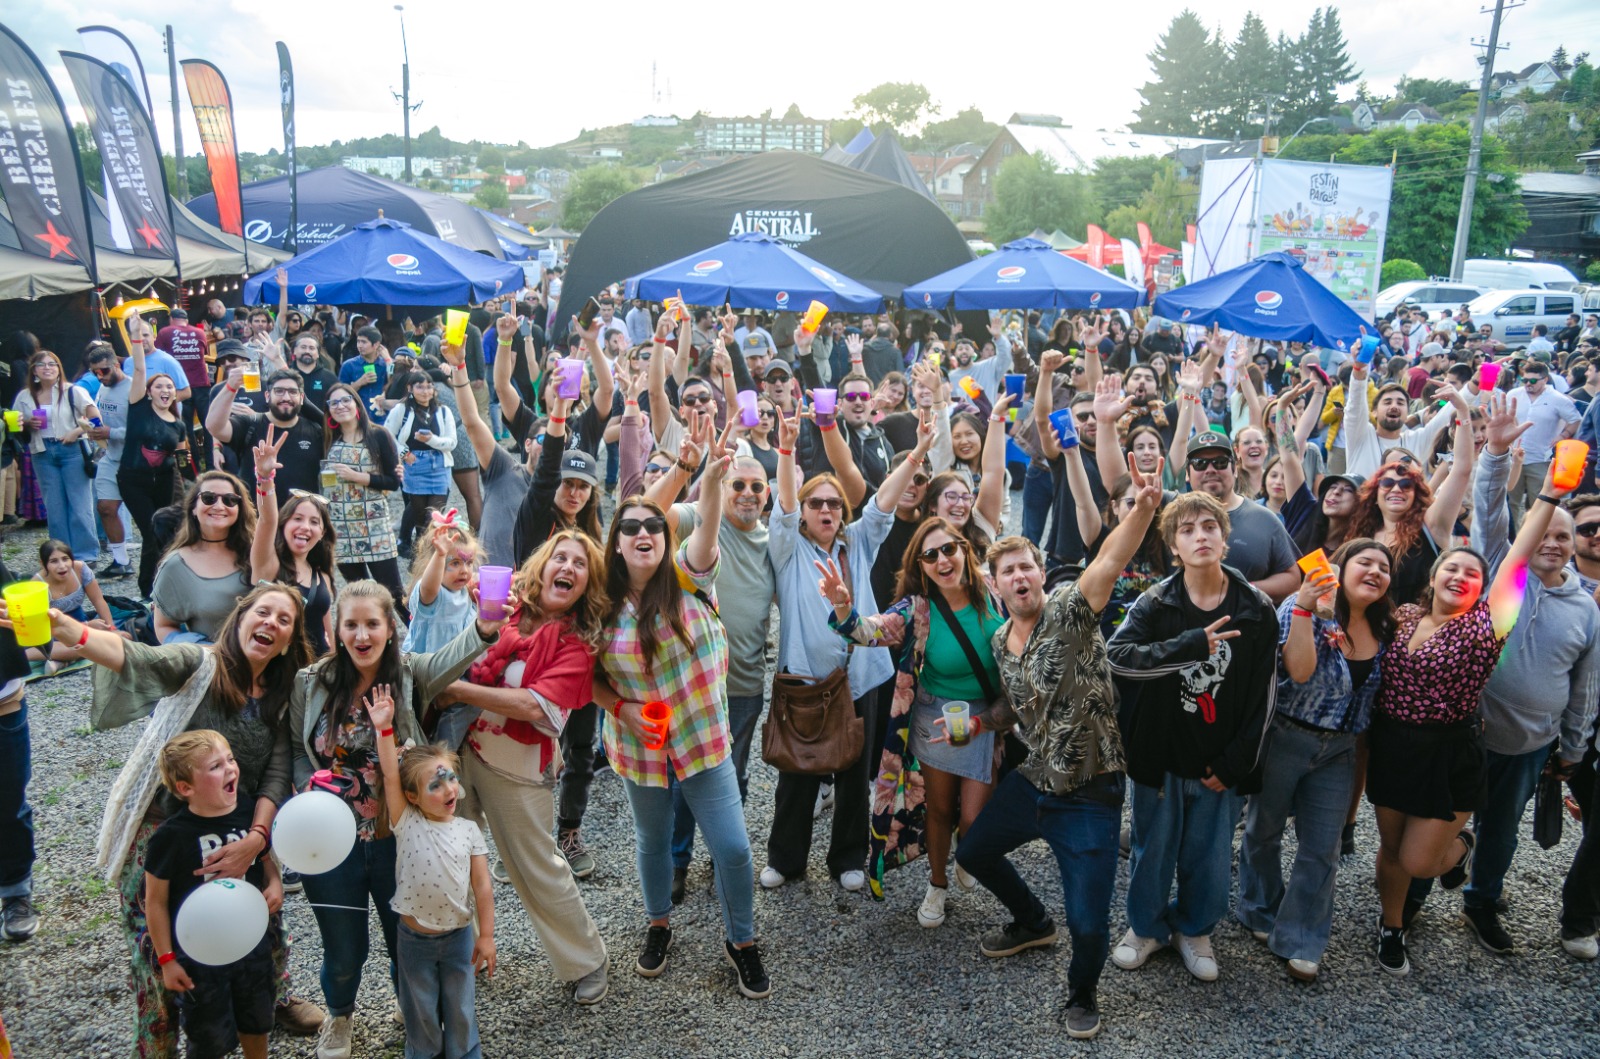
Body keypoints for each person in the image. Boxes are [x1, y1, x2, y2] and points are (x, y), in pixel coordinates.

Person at [33, 584, 324, 1055]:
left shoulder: (282, 693)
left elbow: (276, 772)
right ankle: (158, 1047)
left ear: (290, 640)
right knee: (162, 961)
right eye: (263, 612)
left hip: (235, 831)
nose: (271, 622)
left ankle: (270, 1005)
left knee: (261, 933)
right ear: (241, 618)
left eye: (284, 619)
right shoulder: (199, 663)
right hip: (164, 832)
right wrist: (75, 631)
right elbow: (141, 659)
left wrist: (257, 839)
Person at [953, 456, 1164, 1039]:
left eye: (1026, 567)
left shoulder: (1072, 609)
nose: (1019, 577)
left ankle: (1082, 993)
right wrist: (982, 724)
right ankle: (1030, 921)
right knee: (973, 853)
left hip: (1091, 793)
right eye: (1007, 572)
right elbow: (1018, 705)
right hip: (1035, 781)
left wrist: (1144, 508)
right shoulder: (1000, 639)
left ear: (1040, 573)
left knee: (1090, 923)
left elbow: (1112, 558)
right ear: (994, 585)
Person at [1404, 396, 1600, 954]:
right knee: (1437, 818)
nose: (1553, 542)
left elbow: (1586, 687)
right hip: (1470, 731)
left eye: (1564, 537)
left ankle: (1482, 902)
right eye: (1545, 533)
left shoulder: (1586, 608)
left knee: (1503, 830)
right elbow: (1490, 507)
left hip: (1530, 743)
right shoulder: (1505, 582)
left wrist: (1573, 747)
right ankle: (1413, 898)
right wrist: (1493, 452)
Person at [589, 431, 774, 1001]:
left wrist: (713, 480)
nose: (643, 533)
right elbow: (588, 677)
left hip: (700, 737)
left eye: (653, 525)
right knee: (652, 840)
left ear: (667, 535)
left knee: (735, 847)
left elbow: (708, 527)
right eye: (630, 527)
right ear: (616, 543)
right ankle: (658, 922)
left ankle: (740, 939)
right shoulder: (598, 603)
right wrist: (618, 707)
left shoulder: (690, 576)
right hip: (638, 743)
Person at [287, 580, 503, 1059]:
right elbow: (296, 751)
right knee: (343, 949)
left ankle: (414, 1008)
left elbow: (456, 653)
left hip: (398, 837)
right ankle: (340, 1014)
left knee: (401, 937)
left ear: (390, 629)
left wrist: (485, 628)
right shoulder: (311, 681)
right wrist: (306, 788)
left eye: (372, 624)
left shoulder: (409, 675)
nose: (362, 635)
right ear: (336, 631)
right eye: (352, 625)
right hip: (329, 839)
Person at [1106, 491, 1280, 982]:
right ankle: (1146, 927)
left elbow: (1266, 697)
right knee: (1151, 847)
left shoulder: (1255, 608)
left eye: (1210, 526)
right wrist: (1189, 645)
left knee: (1208, 851)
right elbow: (1116, 658)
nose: (1200, 535)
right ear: (1173, 547)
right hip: (1159, 754)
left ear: (1225, 541)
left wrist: (1237, 764)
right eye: (1187, 529)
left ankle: (1195, 928)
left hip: (1218, 759)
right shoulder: (1157, 601)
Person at [762, 407, 935, 893]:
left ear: (843, 512)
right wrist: (786, 449)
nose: (824, 511)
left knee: (854, 771)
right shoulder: (788, 547)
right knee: (797, 771)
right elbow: (786, 509)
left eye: (833, 504)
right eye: (816, 503)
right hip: (804, 679)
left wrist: (919, 451)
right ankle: (787, 858)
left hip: (861, 677)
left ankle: (848, 859)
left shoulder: (858, 542)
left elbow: (882, 501)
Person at [446, 531, 613, 1001]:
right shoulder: (505, 608)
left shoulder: (579, 643)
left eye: (579, 564)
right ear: (541, 565)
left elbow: (539, 708)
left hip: (516, 766)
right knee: (449, 858)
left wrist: (458, 691)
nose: (567, 567)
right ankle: (457, 963)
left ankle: (587, 959)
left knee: (536, 867)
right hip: (458, 752)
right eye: (559, 557)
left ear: (587, 584)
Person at [1365, 522, 1538, 974]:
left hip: (1448, 753)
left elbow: (1518, 557)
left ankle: (1461, 846)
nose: (1460, 576)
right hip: (1391, 747)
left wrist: (1551, 497)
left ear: (1484, 589)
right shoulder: (1402, 615)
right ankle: (1392, 925)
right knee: (1390, 846)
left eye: (1473, 574)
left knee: (1419, 862)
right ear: (1435, 575)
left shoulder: (1486, 627)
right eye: (1452, 567)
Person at [820, 515, 1004, 926]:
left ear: (964, 550)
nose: (942, 560)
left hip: (988, 719)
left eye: (949, 549)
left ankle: (967, 852)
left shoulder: (993, 592)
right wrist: (844, 608)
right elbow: (869, 631)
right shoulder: (918, 610)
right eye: (930, 555)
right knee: (939, 809)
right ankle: (937, 885)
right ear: (920, 565)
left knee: (974, 817)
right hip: (934, 718)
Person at [1238, 539, 1396, 981]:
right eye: (1364, 562)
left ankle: (1303, 938)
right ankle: (1258, 908)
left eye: (1384, 568)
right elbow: (1300, 672)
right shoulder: (1299, 604)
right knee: (1263, 830)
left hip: (1340, 750)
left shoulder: (1386, 629)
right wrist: (1306, 608)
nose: (1375, 572)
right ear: (1338, 569)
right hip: (1287, 735)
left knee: (1322, 847)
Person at [642, 444, 777, 906]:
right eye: (737, 483)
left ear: (768, 494)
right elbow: (647, 513)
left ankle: (725, 856)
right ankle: (678, 862)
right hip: (691, 684)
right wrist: (695, 471)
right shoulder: (697, 518)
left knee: (733, 776)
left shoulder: (772, 540)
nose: (747, 493)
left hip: (742, 685)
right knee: (683, 777)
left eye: (756, 486)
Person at [365, 689, 494, 1059]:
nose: (449, 789)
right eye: (435, 785)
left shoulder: (468, 830)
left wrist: (486, 936)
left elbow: (483, 887)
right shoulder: (406, 821)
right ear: (414, 796)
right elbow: (391, 774)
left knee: (460, 1004)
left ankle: (464, 1052)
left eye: (451, 778)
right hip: (414, 940)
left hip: (458, 939)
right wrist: (385, 729)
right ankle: (423, 1053)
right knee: (419, 1007)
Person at [143, 731, 282, 1059]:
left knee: (257, 1019)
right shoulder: (171, 838)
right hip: (200, 958)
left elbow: (265, 860)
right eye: (216, 766)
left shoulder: (248, 812)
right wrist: (167, 960)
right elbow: (156, 902)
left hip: (253, 944)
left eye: (230, 759)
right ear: (185, 788)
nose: (231, 769)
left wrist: (274, 884)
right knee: (208, 1036)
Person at [1345, 389, 1475, 605]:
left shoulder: (1432, 524)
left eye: (1406, 484)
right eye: (1387, 483)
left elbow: (1462, 468)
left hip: (1417, 635)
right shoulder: (1361, 531)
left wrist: (1462, 411)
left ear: (1417, 492)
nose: (1396, 489)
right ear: (1375, 494)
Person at [249, 428, 335, 655]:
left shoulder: (321, 575)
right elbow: (267, 519)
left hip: (319, 675)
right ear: (284, 524)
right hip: (281, 675)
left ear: (322, 533)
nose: (305, 527)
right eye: (297, 519)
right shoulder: (269, 566)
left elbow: (328, 633)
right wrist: (265, 478)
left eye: (314, 522)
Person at [12, 348, 101, 560]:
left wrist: (76, 431)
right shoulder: (25, 396)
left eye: (52, 364)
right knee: (55, 508)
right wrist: (25, 424)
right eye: (42, 365)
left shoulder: (73, 391)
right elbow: (15, 426)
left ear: (59, 369)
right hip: (42, 452)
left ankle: (86, 555)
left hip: (71, 450)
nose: (47, 368)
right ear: (34, 370)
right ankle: (60, 556)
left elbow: (96, 419)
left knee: (80, 506)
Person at [322, 382, 406, 606]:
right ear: (328, 409)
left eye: (346, 400)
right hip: (340, 529)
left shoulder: (378, 435)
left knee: (395, 596)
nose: (340, 406)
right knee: (360, 597)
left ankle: (417, 640)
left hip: (374, 527)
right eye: (334, 403)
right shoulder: (328, 437)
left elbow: (393, 482)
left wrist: (357, 476)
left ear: (356, 403)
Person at [118, 334, 187, 598]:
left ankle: (165, 584)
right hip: (133, 480)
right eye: (159, 386)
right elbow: (138, 368)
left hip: (165, 481)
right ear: (149, 391)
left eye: (169, 386)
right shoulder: (138, 409)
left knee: (164, 531)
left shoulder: (178, 423)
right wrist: (136, 337)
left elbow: (182, 461)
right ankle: (147, 589)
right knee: (149, 531)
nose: (165, 390)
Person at [151, 472, 256, 644]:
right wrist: (198, 649)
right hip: (216, 665)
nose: (219, 506)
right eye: (209, 498)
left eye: (229, 499)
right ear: (193, 507)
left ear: (239, 508)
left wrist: (266, 482)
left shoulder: (255, 553)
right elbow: (163, 625)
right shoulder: (176, 565)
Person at [205, 366, 327, 505]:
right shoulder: (250, 424)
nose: (286, 397)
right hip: (256, 520)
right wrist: (231, 387)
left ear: (301, 398)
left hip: (301, 521)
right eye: (279, 391)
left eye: (293, 392)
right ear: (267, 396)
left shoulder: (315, 430)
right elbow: (214, 427)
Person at [384, 371, 458, 556]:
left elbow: (451, 442)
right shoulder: (401, 410)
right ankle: (419, 560)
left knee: (432, 519)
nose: (425, 391)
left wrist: (431, 440)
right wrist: (403, 452)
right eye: (420, 387)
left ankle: (422, 561)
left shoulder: (443, 411)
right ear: (410, 388)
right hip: (414, 466)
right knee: (420, 521)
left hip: (439, 465)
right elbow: (387, 435)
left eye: (429, 386)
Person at [82, 343, 135, 578]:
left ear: (116, 364)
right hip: (110, 456)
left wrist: (109, 432)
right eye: (94, 372)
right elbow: (102, 418)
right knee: (105, 507)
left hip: (134, 459)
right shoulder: (103, 388)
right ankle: (121, 560)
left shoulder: (134, 389)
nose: (99, 376)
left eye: (103, 370)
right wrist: (93, 429)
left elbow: (140, 429)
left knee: (144, 513)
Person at [25, 539, 119, 671]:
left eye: (65, 559)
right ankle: (23, 655)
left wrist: (112, 629)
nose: (62, 566)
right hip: (50, 633)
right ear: (43, 564)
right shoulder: (37, 585)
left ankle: (60, 662)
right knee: (86, 646)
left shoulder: (80, 569)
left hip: (78, 622)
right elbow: (42, 626)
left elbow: (98, 600)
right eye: (54, 561)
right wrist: (87, 626)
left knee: (118, 637)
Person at [1505, 361, 1580, 524]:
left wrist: (1563, 435)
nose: (1527, 384)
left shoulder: (1557, 399)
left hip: (1540, 459)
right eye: (1524, 380)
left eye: (1532, 381)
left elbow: (1575, 420)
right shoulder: (1514, 395)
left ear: (1545, 380)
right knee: (1511, 504)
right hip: (1513, 457)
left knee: (1538, 504)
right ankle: (1513, 540)